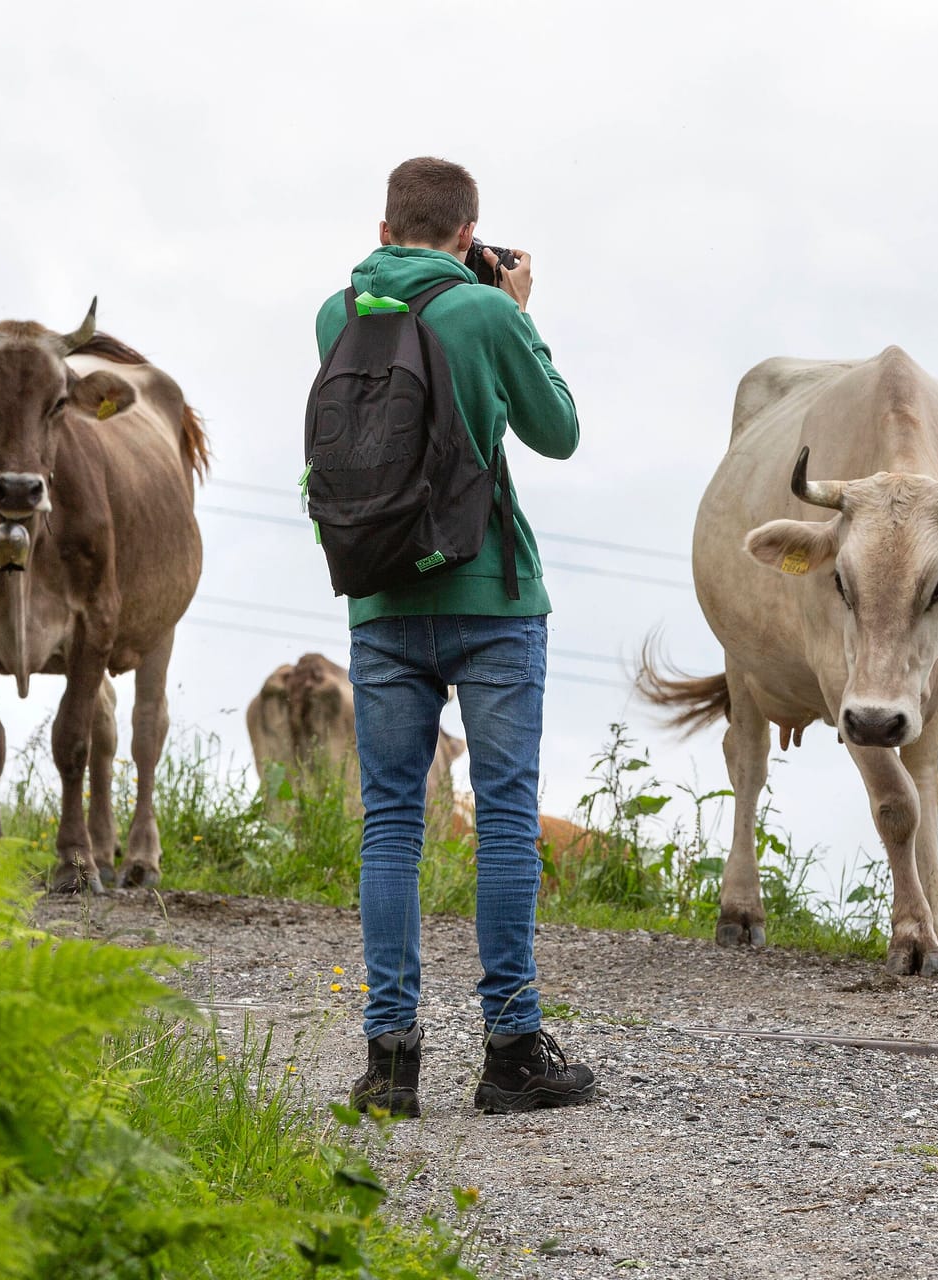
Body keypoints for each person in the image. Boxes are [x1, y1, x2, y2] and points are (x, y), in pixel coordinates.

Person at [314, 156, 595, 1117]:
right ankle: (512, 1052)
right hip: (491, 596)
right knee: (505, 814)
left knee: (390, 818)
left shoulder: (338, 314)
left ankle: (390, 1061)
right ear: (469, 235)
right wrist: (517, 307)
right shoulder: (486, 311)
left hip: (382, 599)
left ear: (386, 226)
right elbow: (557, 432)